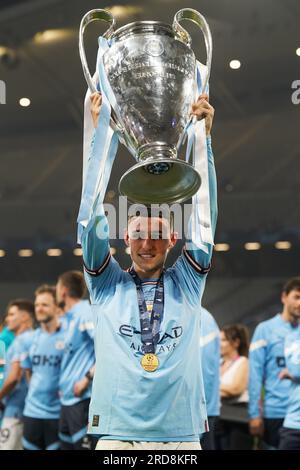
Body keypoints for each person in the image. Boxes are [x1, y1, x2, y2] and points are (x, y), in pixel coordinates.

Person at [81, 92, 217, 451]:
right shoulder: (107, 285)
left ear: (172, 240)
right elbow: (90, 222)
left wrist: (202, 140)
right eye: (138, 235)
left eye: (157, 235)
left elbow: (204, 223)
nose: (147, 243)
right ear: (125, 239)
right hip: (117, 433)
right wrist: (99, 141)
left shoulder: (187, 284)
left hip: (180, 435)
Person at [249, 277, 300, 449]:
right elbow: (255, 375)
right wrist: (254, 414)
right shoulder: (265, 330)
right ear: (284, 297)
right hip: (275, 412)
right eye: (297, 297)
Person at [19, 285, 65, 450]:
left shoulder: (68, 337)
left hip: (58, 415)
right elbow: (28, 372)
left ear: (56, 307)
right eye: (37, 305)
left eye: (44, 305)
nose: (39, 309)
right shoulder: (28, 339)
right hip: (32, 413)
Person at [56, 271, 95, 450]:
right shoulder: (67, 318)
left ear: (63, 291)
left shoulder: (86, 313)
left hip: (81, 398)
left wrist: (86, 379)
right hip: (66, 399)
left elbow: (105, 349)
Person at [0, 299, 34, 450]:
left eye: (12, 314)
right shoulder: (36, 337)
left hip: (16, 409)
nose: (7, 318)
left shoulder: (22, 341)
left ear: (25, 317)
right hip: (30, 411)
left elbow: (14, 378)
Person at [215, 324, 251, 450]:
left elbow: (236, 389)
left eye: (223, 340)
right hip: (219, 418)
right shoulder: (217, 363)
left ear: (236, 342)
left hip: (237, 420)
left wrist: (213, 389)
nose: (219, 343)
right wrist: (222, 389)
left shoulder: (243, 362)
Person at [199, 307, 220, 450]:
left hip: (200, 409)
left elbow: (204, 367)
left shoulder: (203, 318)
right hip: (205, 408)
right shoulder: (207, 317)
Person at [278, 325, 300, 450]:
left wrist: (292, 374)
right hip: (294, 423)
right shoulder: (293, 337)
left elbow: (295, 372)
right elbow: (296, 370)